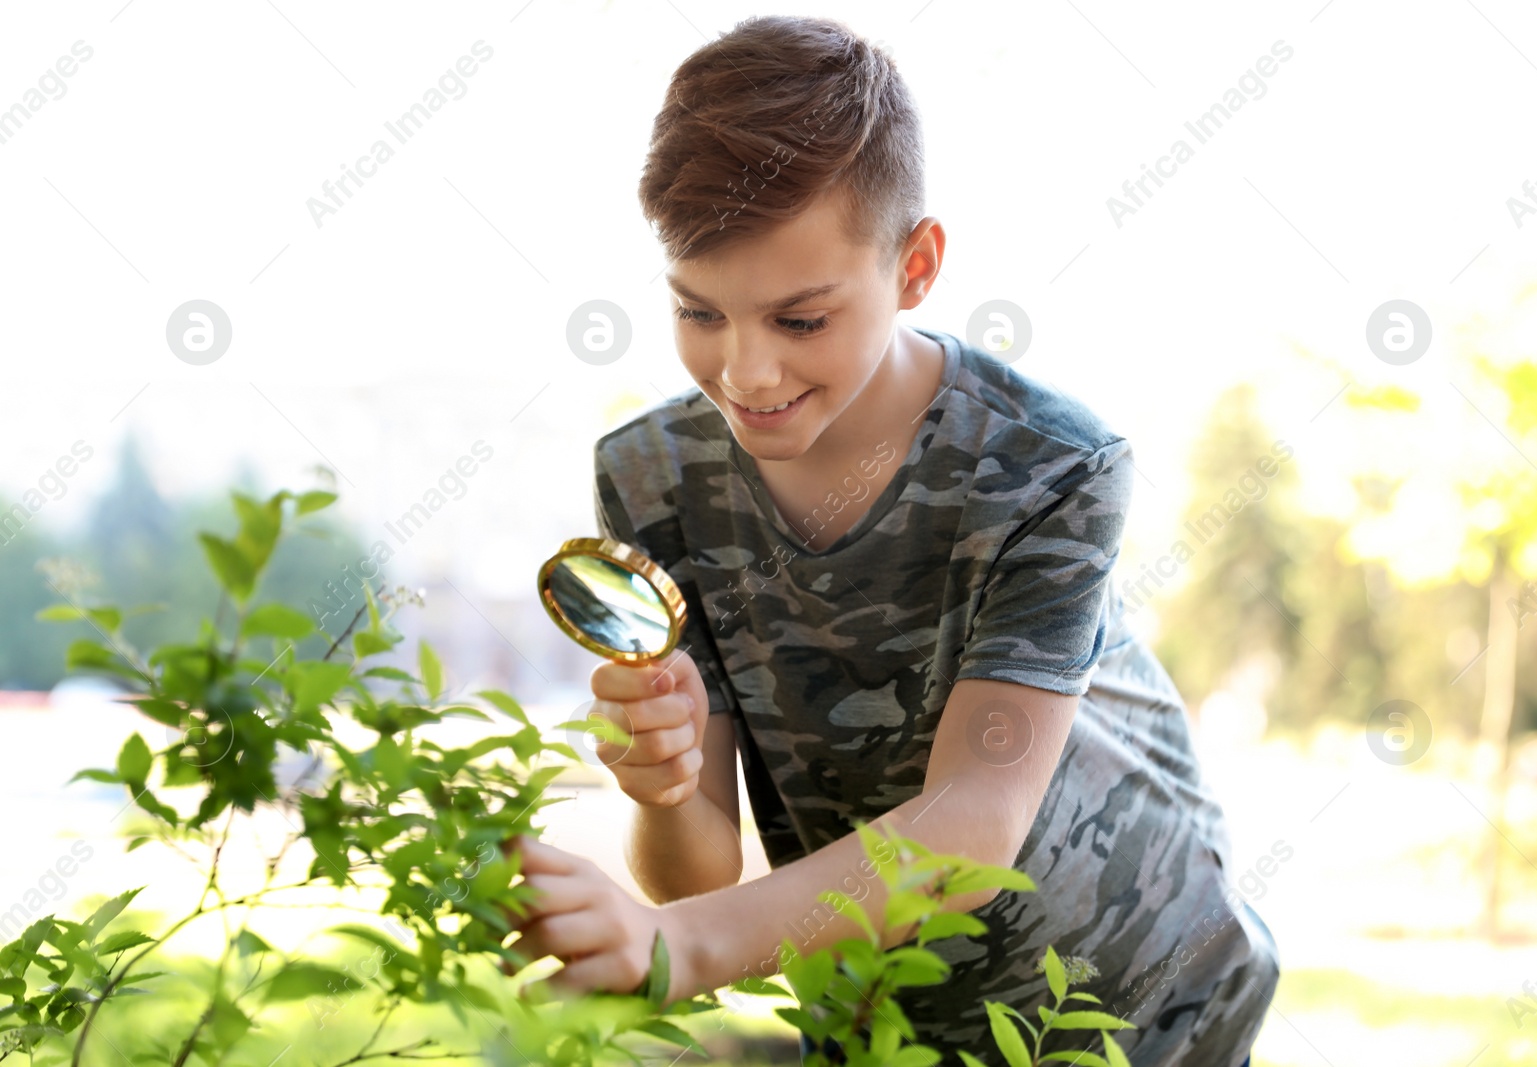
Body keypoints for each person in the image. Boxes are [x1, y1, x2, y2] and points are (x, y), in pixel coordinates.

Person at [506, 15, 1278, 1065]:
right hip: (882, 1014)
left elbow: (974, 818)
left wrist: (679, 949)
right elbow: (691, 872)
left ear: (914, 266)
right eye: (698, 311)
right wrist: (667, 778)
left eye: (800, 320)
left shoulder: (1052, 463)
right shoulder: (653, 478)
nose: (745, 373)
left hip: (1135, 1003)